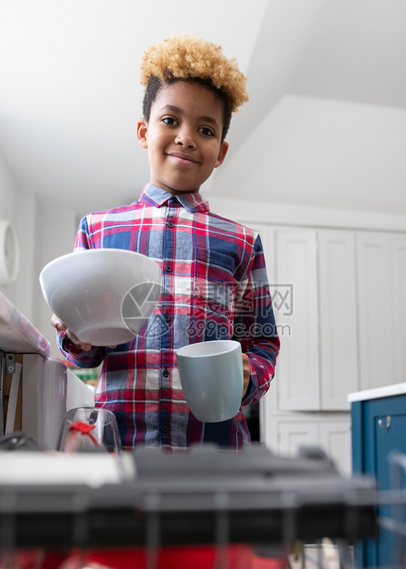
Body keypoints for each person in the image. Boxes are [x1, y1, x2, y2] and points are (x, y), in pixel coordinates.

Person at [52, 34, 280, 449]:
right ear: (143, 131)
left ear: (221, 151)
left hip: (215, 452)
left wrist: (250, 375)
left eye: (205, 128)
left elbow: (263, 341)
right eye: (171, 120)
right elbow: (82, 354)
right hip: (119, 446)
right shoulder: (97, 230)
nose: (186, 137)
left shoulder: (243, 243)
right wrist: (78, 336)